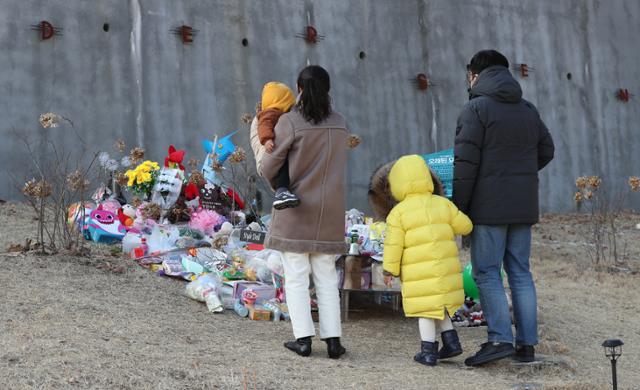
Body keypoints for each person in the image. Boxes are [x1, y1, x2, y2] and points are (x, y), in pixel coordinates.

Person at [452, 50, 555, 366]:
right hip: (522, 207)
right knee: (520, 272)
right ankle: (526, 346)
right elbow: (547, 150)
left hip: (489, 208)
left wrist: (460, 207)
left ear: (475, 74)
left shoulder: (476, 109)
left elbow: (466, 165)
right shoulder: (527, 109)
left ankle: (499, 339)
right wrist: (519, 176)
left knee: (486, 271)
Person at [259, 65, 349, 359]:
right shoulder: (340, 124)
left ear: (298, 88)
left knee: (296, 277)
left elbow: (269, 165)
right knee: (326, 276)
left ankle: (304, 340)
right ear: (328, 90)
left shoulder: (290, 122)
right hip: (330, 212)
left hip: (297, 210)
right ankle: (333, 340)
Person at [383, 155, 473, 366]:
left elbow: (393, 246)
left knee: (425, 311)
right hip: (445, 270)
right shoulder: (443, 204)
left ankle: (428, 352)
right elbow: (466, 226)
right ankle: (451, 344)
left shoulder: (398, 213)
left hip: (419, 274)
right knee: (439, 306)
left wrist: (390, 269)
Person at [249, 82, 299, 210]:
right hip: (273, 151)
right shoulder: (271, 113)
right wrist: (266, 140)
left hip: (277, 152)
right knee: (284, 167)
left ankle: (283, 191)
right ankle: (282, 191)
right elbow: (264, 126)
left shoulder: (278, 114)